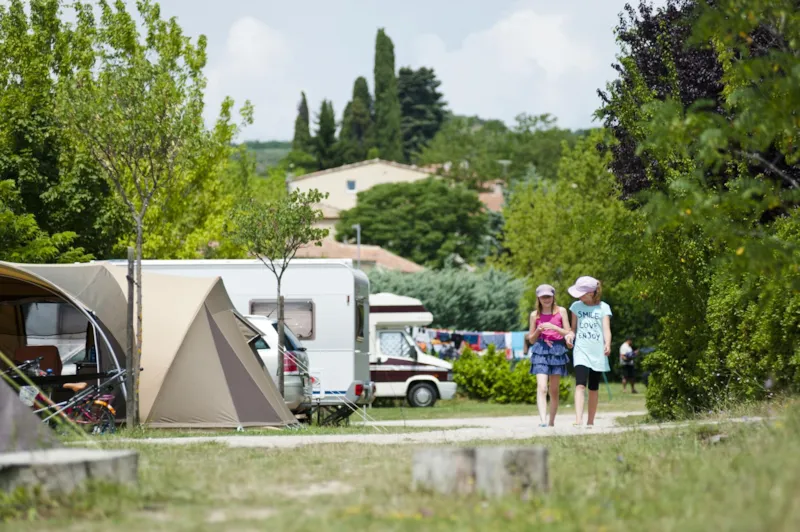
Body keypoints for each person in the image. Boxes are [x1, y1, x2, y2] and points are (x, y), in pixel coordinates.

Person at [566, 276, 612, 428]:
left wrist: (608, 343)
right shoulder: (576, 307)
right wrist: (570, 336)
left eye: (581, 293)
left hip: (597, 352)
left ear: (591, 293)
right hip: (581, 350)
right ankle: (578, 419)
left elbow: (606, 329)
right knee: (580, 385)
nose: (578, 296)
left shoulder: (603, 307)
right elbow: (573, 329)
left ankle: (590, 421)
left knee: (593, 387)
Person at [527, 284, 571, 427]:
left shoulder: (562, 311)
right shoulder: (534, 315)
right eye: (543, 297)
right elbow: (531, 339)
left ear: (553, 297)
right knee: (542, 387)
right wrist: (538, 331)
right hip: (540, 349)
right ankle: (543, 421)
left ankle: (551, 420)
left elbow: (569, 332)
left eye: (549, 296)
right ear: (538, 298)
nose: (546, 299)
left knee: (554, 390)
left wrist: (555, 328)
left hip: (557, 350)